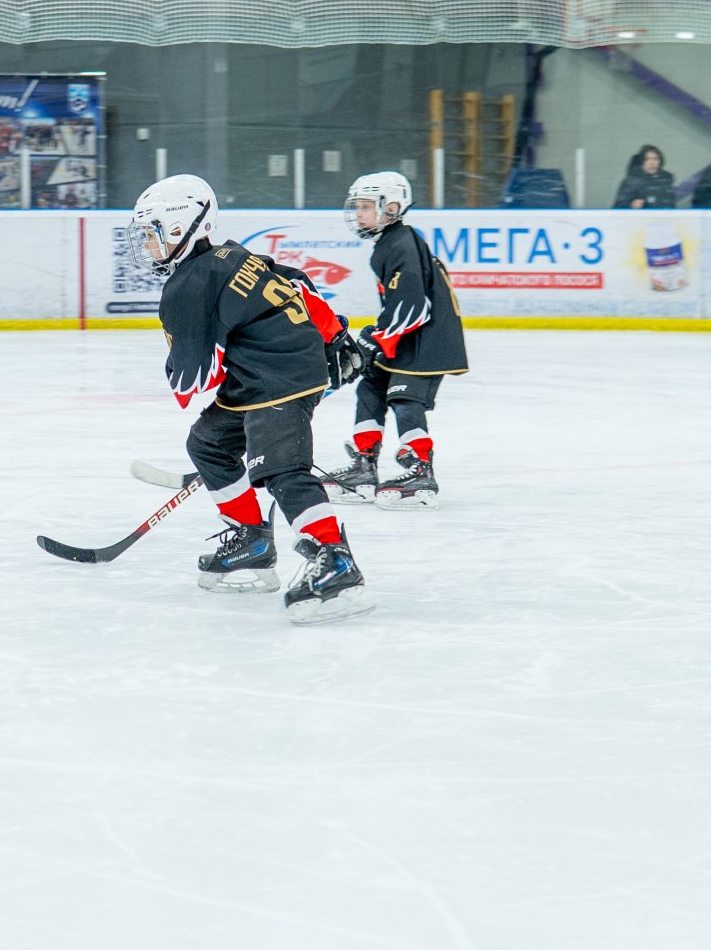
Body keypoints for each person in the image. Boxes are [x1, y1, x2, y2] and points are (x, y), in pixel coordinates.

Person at [128, 174, 374, 625]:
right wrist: (337, 336)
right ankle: (252, 540)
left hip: (279, 377)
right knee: (208, 443)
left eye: (153, 232)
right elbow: (298, 284)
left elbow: (194, 381)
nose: (146, 244)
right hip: (269, 371)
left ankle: (335, 560)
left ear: (182, 228)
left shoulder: (186, 286)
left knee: (282, 470)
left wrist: (182, 358)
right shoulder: (232, 255)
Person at [326, 172, 470, 509]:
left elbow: (413, 306)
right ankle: (364, 464)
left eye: (366, 207)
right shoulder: (390, 243)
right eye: (357, 206)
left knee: (405, 399)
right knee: (371, 387)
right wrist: (377, 338)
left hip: (428, 341)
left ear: (391, 207)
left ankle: (420, 469)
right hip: (409, 338)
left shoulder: (401, 243)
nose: (358, 213)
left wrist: (376, 339)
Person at [612, 144, 677, 209]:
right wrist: (631, 206)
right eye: (647, 159)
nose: (652, 162)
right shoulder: (631, 181)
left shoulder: (667, 180)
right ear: (641, 161)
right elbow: (617, 209)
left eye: (655, 159)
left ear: (660, 161)